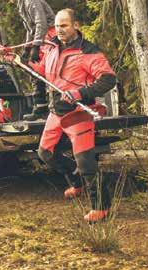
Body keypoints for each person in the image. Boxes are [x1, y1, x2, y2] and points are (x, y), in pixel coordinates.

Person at [31, 8, 117, 222]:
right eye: (57, 26)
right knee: (45, 153)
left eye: (64, 26)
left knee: (86, 161)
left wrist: (79, 93)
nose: (59, 30)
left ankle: (101, 207)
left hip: (79, 113)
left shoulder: (89, 52)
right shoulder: (52, 49)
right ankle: (77, 183)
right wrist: (21, 61)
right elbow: (43, 71)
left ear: (76, 25)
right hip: (56, 112)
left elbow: (108, 80)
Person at [14, 0, 56, 121]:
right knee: (33, 69)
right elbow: (30, 29)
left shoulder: (31, 2)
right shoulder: (21, 4)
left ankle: (57, 106)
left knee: (50, 70)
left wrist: (36, 46)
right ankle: (40, 107)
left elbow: (41, 23)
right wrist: (27, 47)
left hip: (50, 35)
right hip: (41, 36)